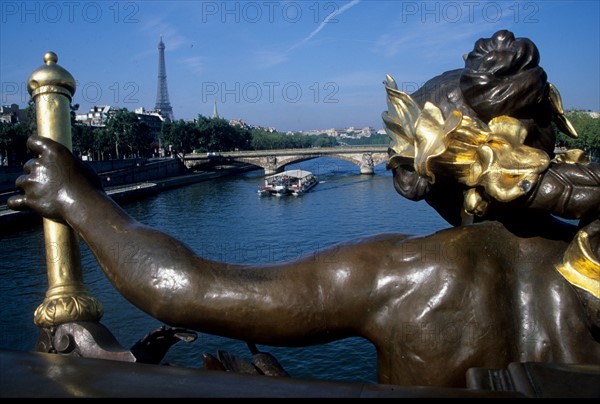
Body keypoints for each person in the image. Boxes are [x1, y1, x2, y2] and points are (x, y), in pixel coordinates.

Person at [8, 31, 600, 388]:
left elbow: (182, 288)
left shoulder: (408, 273)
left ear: (416, 176)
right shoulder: (586, 258)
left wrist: (79, 199)